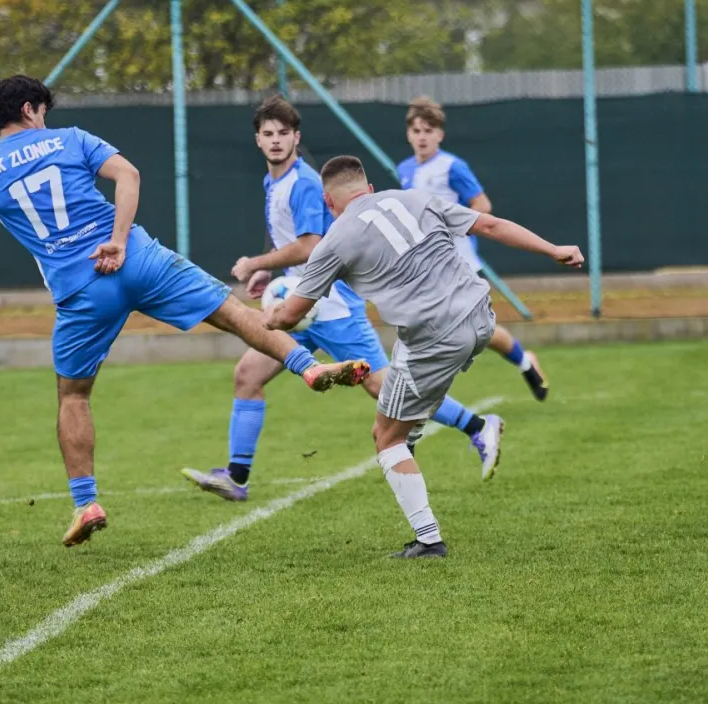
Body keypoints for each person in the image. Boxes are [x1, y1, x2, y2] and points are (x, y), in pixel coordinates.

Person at [0, 75, 371, 547]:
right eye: (43, 111)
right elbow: (128, 175)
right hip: (138, 260)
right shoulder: (71, 139)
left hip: (81, 290)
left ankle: (86, 503)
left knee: (74, 397)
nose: (46, 119)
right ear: (29, 109)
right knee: (234, 314)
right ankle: (307, 367)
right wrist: (118, 240)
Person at [182, 96, 502, 501]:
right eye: (268, 134)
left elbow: (311, 246)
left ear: (296, 137)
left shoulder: (303, 183)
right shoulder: (274, 181)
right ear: (258, 140)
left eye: (283, 133)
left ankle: (478, 426)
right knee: (248, 374)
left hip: (331, 308)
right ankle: (237, 476)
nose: (276, 140)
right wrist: (270, 270)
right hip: (300, 306)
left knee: (385, 389)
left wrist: (255, 263)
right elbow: (294, 242)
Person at [267, 156, 583, 558]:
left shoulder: (335, 240)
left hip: (435, 337)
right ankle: (439, 440)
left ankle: (429, 540)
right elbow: (490, 225)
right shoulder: (414, 198)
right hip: (480, 316)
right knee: (403, 404)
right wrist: (553, 249)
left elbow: (290, 315)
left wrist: (268, 317)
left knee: (385, 436)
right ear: (369, 188)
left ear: (329, 202)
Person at [399, 96, 551, 401]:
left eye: (428, 130)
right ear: (408, 134)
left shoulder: (452, 167)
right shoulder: (405, 169)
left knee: (473, 330)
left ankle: (523, 362)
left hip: (459, 262)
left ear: (440, 134)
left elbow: (482, 205)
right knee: (456, 329)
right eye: (416, 131)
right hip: (426, 266)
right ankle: (523, 362)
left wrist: (448, 224)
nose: (422, 137)